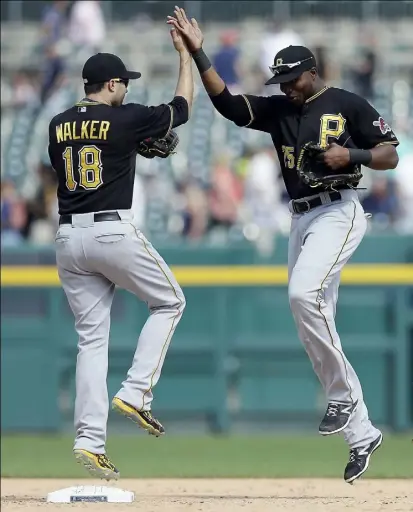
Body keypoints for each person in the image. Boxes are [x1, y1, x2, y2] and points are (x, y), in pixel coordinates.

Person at [167, 7, 399, 484]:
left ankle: (342, 397)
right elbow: (229, 105)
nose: (287, 86)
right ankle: (362, 433)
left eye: (294, 78)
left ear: (314, 71)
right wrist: (198, 52)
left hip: (338, 210)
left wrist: (349, 153)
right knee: (312, 319)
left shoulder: (346, 103)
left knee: (301, 295)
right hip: (300, 218)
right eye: (282, 80)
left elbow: (390, 153)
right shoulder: (278, 111)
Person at [47, 27, 193, 481]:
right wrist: (186, 57)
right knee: (170, 302)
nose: (126, 87)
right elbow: (182, 110)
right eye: (123, 81)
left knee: (91, 341)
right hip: (112, 231)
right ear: (111, 85)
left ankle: (89, 442)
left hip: (69, 239)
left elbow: (84, 157)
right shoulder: (125, 116)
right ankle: (136, 392)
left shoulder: (56, 123)